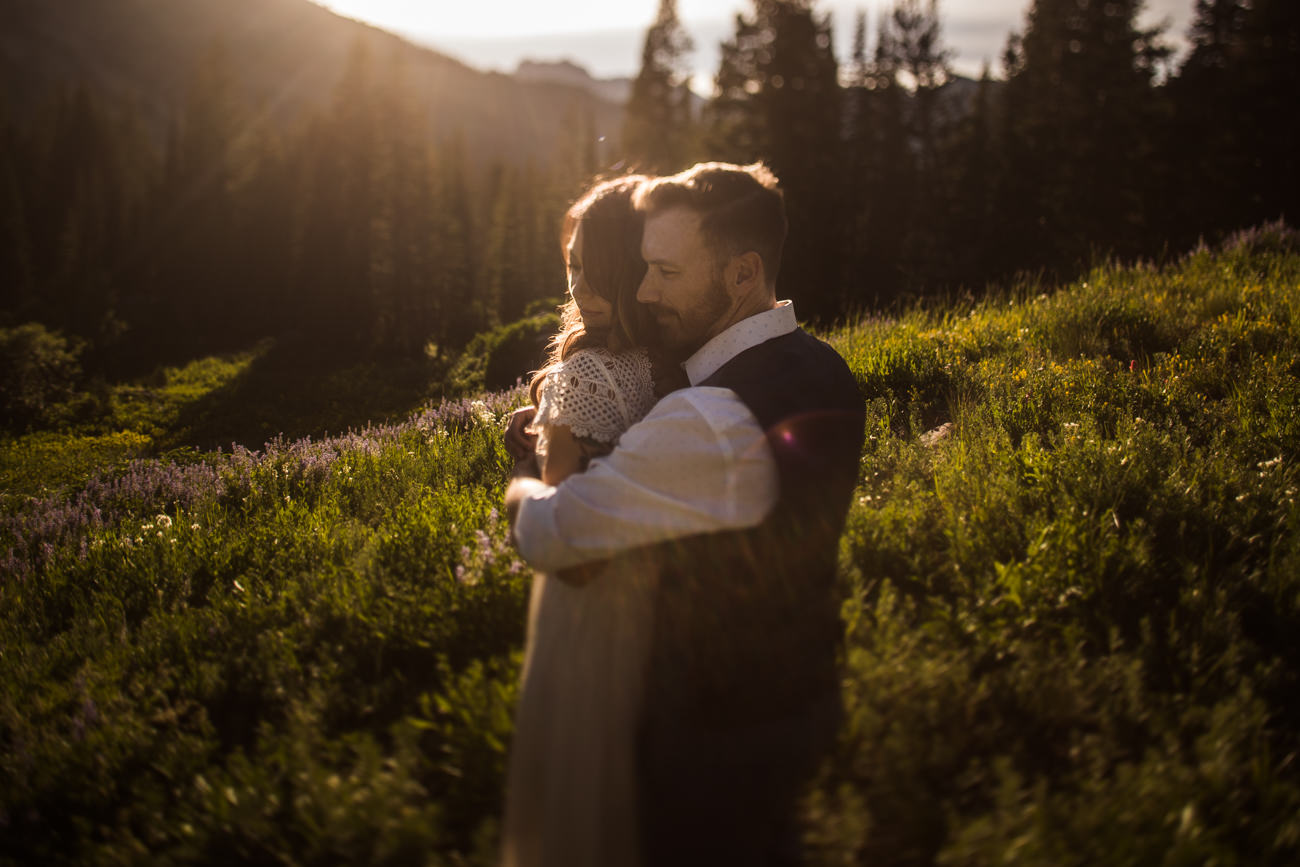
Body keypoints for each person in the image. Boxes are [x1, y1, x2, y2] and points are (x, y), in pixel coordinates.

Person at [506, 162, 866, 865]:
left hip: (709, 731)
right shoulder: (823, 367)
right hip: (797, 692)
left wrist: (526, 471)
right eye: (643, 268)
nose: (643, 292)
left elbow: (554, 535)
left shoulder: (706, 420)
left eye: (666, 272)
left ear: (742, 274)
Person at [500, 174, 680, 867]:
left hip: (588, 600)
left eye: (584, 267)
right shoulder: (664, 360)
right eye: (569, 265)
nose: (573, 283)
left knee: (576, 764)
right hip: (652, 583)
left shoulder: (581, 376)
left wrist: (526, 468)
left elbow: (563, 510)